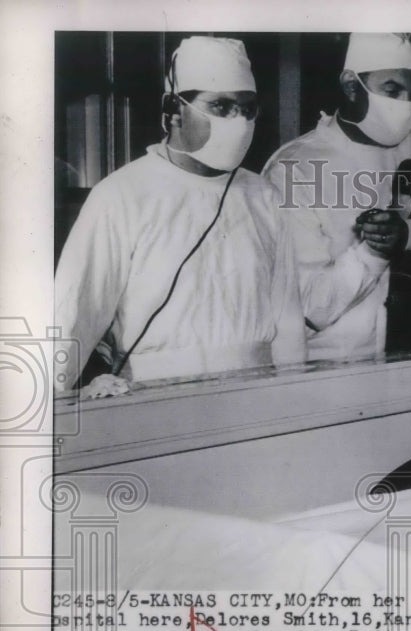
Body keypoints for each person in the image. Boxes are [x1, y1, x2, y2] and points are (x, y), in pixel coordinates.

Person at [55, 36, 305, 393]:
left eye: (248, 109)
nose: (239, 121)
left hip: (256, 395)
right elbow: (72, 316)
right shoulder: (122, 194)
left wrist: (297, 403)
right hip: (156, 400)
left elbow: (289, 321)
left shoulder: (264, 196)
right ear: (174, 111)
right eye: (220, 106)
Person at [262, 33, 411, 362]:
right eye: (392, 90)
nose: (407, 105)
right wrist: (373, 252)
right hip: (329, 373)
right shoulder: (296, 168)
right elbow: (309, 307)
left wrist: (410, 233)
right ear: (351, 85)